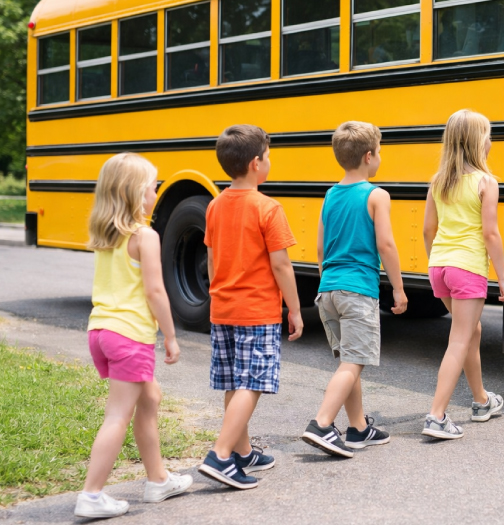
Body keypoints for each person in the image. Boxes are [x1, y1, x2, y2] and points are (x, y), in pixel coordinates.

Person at [76, 153, 192, 518]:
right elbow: (156, 292)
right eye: (154, 186)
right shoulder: (144, 236)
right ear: (136, 193)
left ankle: (158, 480)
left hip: (101, 331)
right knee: (117, 416)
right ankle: (92, 495)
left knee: (150, 397)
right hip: (129, 337)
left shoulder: (107, 233)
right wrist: (171, 336)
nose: (157, 192)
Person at [198, 125, 303, 489]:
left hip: (222, 309)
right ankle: (222, 455)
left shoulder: (213, 205)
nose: (270, 162)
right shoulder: (268, 208)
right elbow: (281, 265)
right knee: (252, 383)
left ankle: (242, 451)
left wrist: (218, 292)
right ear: (257, 163)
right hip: (256, 311)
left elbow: (212, 260)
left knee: (233, 381)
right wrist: (295, 308)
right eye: (269, 156)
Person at [301, 121, 408, 458]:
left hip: (328, 289)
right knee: (353, 364)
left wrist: (325, 281)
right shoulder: (376, 195)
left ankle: (358, 428)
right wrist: (400, 290)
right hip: (358, 290)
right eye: (379, 151)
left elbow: (319, 248)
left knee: (349, 361)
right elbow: (386, 245)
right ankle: (321, 424)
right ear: (368, 156)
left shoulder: (330, 195)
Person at [421, 109, 504, 440]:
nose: (490, 141)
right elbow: (491, 234)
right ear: (478, 142)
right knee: (459, 340)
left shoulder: (438, 181)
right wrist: (502, 277)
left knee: (470, 332)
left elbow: (427, 229)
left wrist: (439, 263)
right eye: (487, 135)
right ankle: (436, 416)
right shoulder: (486, 182)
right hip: (467, 268)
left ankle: (481, 401)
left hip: (440, 267)